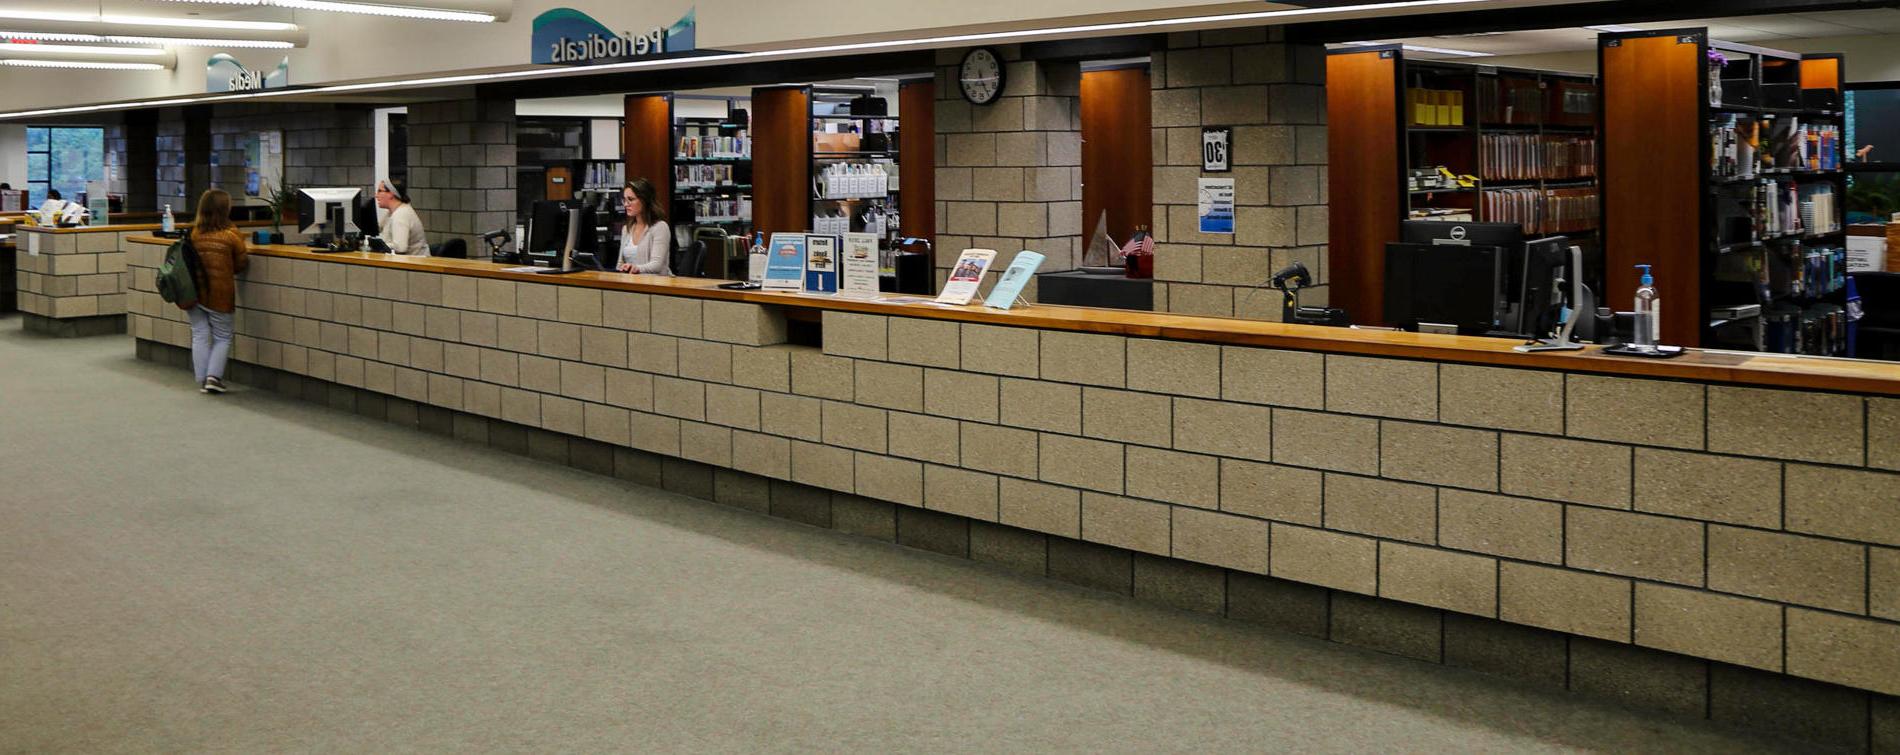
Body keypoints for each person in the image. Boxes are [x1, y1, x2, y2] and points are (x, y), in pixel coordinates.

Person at [187, 188, 249, 394]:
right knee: (222, 336)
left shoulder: (194, 234)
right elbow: (241, 263)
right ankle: (213, 377)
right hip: (220, 294)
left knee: (199, 334)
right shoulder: (231, 236)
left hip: (195, 293)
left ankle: (202, 378)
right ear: (225, 210)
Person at [616, 177, 671, 275]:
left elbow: (656, 265)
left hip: (655, 285)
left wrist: (636, 268)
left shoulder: (660, 227)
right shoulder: (626, 229)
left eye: (630, 199)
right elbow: (620, 264)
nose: (625, 204)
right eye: (624, 200)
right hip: (631, 284)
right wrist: (623, 268)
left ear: (644, 200)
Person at [374, 178, 428, 256]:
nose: (376, 195)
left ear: (391, 194)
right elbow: (377, 229)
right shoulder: (391, 212)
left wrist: (377, 245)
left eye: (380, 191)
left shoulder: (401, 214)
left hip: (414, 264)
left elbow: (400, 247)